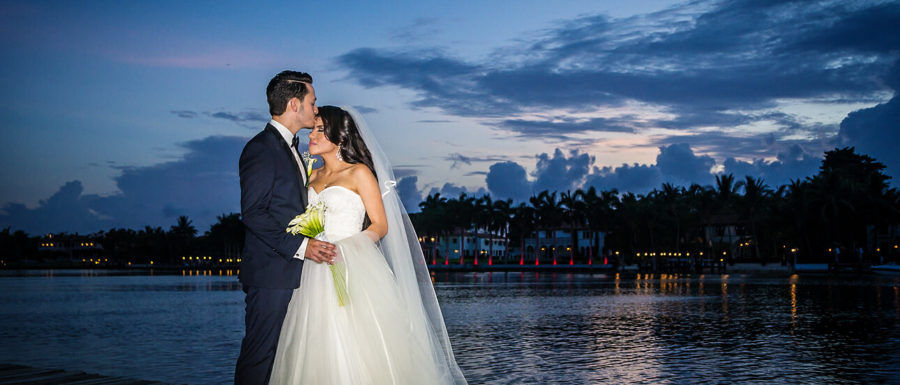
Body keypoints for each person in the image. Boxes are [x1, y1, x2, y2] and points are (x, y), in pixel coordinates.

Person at [269, 106, 467, 384]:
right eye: (312, 129)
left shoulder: (359, 173)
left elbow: (380, 225)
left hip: (353, 265)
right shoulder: (311, 176)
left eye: (319, 130)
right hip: (313, 271)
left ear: (339, 137)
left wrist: (348, 249)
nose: (311, 135)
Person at [235, 71, 337, 385]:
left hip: (292, 272)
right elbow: (254, 214)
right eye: (312, 102)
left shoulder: (292, 150)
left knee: (282, 357)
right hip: (270, 273)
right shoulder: (262, 149)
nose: (316, 109)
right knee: (260, 354)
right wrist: (302, 246)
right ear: (294, 104)